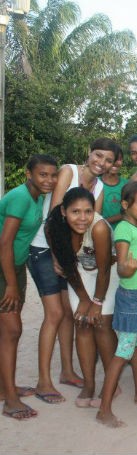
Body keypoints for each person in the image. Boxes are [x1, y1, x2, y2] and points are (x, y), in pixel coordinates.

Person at [46, 188, 119, 409]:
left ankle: (111, 382)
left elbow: (104, 270)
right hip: (79, 272)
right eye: (75, 212)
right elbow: (68, 267)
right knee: (82, 323)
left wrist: (96, 303)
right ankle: (88, 384)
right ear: (63, 211)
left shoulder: (98, 228)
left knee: (101, 324)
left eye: (88, 211)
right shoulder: (54, 227)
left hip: (107, 273)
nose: (82, 218)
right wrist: (83, 299)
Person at [0, 154, 58, 419]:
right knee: (12, 331)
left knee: (7, 331)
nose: (48, 180)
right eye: (42, 174)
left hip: (15, 267)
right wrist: (11, 284)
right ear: (29, 175)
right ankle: (10, 400)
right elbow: (5, 242)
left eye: (52, 175)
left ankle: (5, 387)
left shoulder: (38, 197)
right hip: (5, 270)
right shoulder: (21, 197)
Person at [96, 181, 137, 428]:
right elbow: (122, 265)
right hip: (132, 299)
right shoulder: (123, 229)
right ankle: (104, 408)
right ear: (125, 204)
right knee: (123, 353)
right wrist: (126, 269)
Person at [101, 148, 128, 228]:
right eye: (111, 160)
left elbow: (130, 211)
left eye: (118, 159)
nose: (115, 163)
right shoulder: (96, 184)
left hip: (123, 233)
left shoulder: (127, 184)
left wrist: (105, 221)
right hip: (101, 232)